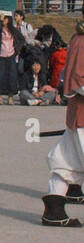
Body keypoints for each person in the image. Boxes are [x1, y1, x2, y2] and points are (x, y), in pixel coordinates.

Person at [41, 19, 84, 226]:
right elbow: (78, 78)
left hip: (76, 115)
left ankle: (54, 208)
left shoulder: (77, 38)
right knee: (67, 160)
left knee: (65, 162)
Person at [0, 12, 24, 104]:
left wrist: (17, 49)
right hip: (0, 56)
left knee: (12, 77)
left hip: (11, 55)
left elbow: (22, 39)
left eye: (6, 19)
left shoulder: (13, 30)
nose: (4, 20)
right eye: (3, 19)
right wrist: (0, 21)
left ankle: (10, 97)